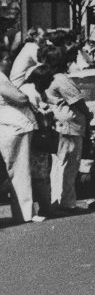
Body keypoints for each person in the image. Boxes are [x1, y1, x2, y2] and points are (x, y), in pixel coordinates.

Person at [43, 45, 90, 216]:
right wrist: (88, 115)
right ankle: (66, 202)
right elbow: (77, 101)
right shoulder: (61, 79)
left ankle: (59, 200)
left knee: (60, 164)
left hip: (59, 124)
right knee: (68, 165)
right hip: (69, 125)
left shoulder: (48, 78)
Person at [0, 49, 41, 223]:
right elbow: (20, 98)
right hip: (14, 126)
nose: (9, 62)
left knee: (13, 171)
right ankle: (25, 213)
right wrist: (25, 96)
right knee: (20, 171)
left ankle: (22, 212)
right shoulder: (1, 78)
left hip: (7, 127)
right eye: (6, 59)